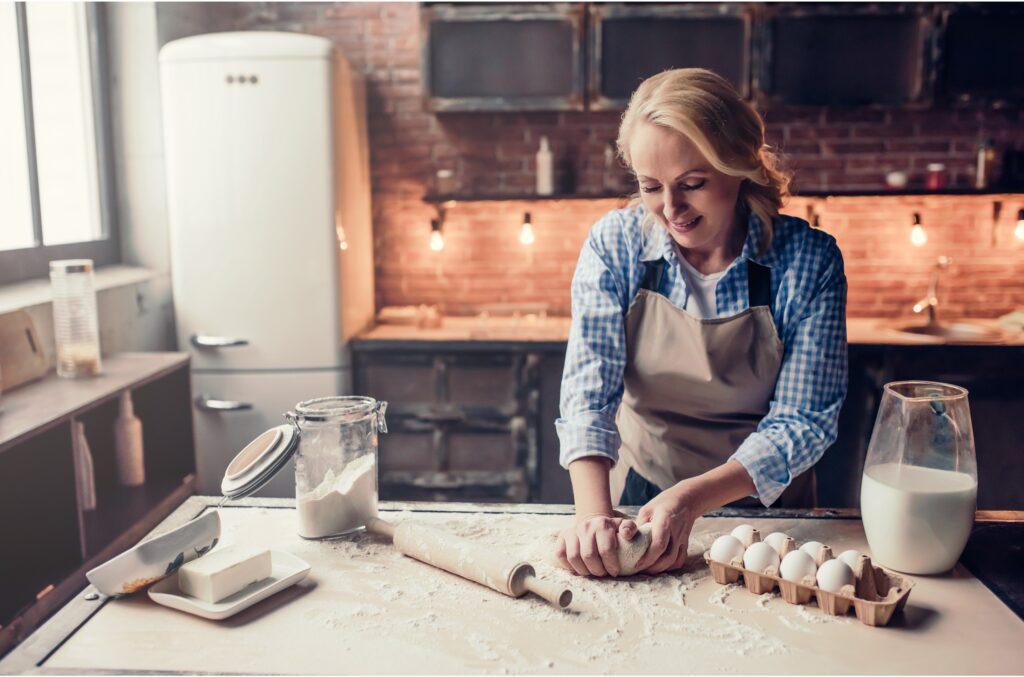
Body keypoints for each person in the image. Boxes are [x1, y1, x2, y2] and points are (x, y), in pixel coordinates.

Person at [554, 68, 848, 578]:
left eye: (692, 184)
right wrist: (594, 517)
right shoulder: (616, 246)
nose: (671, 209)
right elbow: (588, 394)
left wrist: (694, 498)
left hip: (769, 511)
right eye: (651, 187)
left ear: (737, 167)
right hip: (641, 492)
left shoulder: (807, 261)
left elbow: (804, 420)